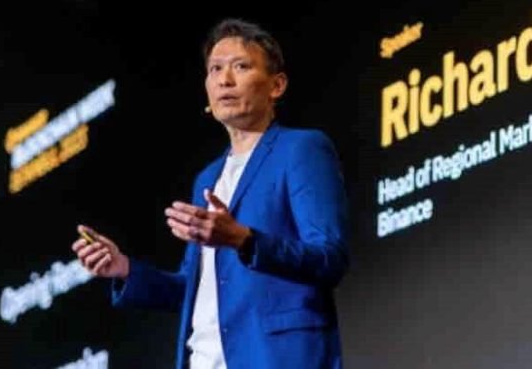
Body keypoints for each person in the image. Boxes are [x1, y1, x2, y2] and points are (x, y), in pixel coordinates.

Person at [72, 18, 350, 369]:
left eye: (241, 66)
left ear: (276, 85)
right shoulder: (208, 178)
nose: (224, 79)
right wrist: (124, 269)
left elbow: (329, 258)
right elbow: (193, 290)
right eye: (215, 69)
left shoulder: (301, 148)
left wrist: (245, 240)